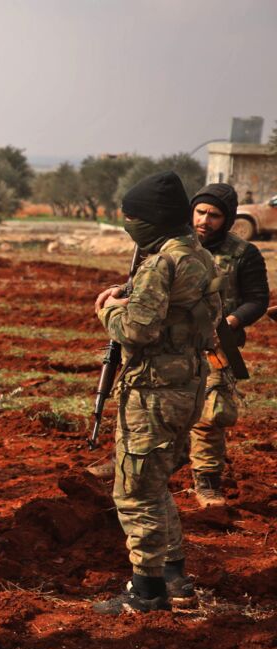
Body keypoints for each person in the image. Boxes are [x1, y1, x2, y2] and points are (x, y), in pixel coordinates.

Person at [91, 171, 221, 614]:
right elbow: (183, 306)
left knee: (134, 492)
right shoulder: (198, 255)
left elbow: (139, 328)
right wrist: (131, 291)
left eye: (132, 218)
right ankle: (173, 574)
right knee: (156, 482)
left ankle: (146, 594)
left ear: (151, 221)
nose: (129, 225)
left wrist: (109, 311)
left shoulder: (161, 263)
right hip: (187, 383)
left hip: (154, 390)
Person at [185, 184, 269, 506]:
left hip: (218, 349)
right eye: (200, 212)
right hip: (172, 347)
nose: (205, 220)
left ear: (229, 219)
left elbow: (257, 300)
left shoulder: (244, 254)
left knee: (211, 416)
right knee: (157, 409)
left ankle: (206, 485)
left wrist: (231, 323)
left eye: (215, 215)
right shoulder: (173, 247)